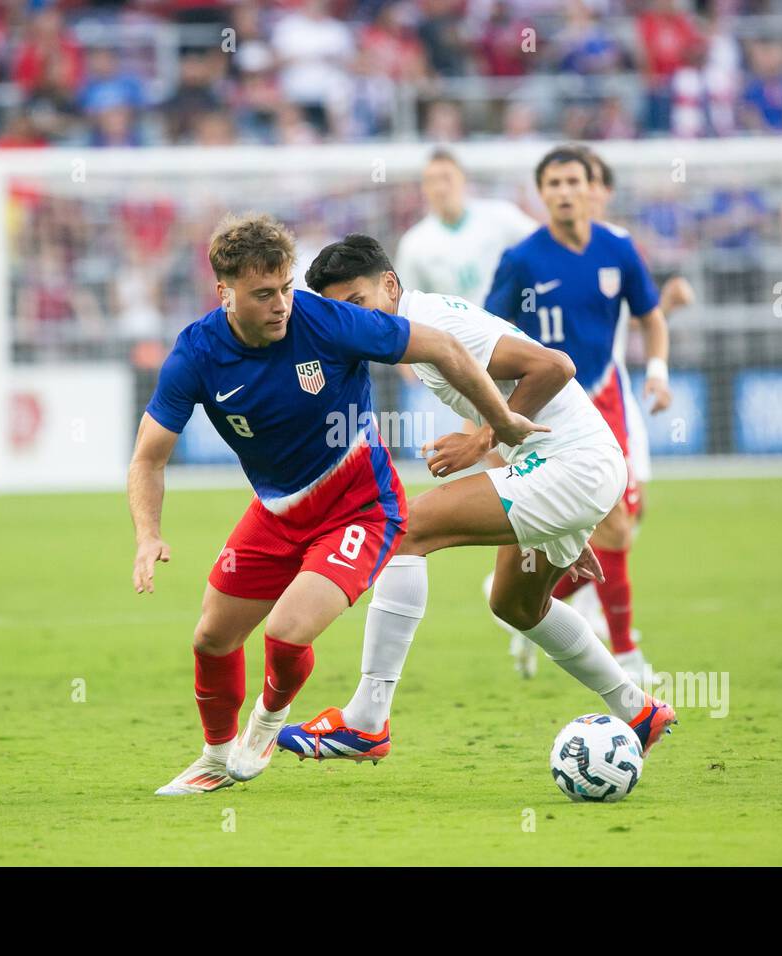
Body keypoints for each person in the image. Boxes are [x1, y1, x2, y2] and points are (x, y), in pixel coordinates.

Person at [127, 213, 547, 795]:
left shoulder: (326, 320)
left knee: (286, 631)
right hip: (276, 513)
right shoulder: (196, 354)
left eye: (285, 288)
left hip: (361, 508)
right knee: (211, 639)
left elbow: (446, 349)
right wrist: (148, 535)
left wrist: (497, 422)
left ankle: (268, 724)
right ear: (224, 292)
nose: (281, 305)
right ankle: (215, 758)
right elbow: (148, 457)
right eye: (263, 294)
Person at [276, 234, 677, 766]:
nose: (353, 321)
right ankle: (637, 709)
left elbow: (555, 366)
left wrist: (484, 438)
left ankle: (367, 720)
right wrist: (556, 519)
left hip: (572, 464)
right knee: (515, 604)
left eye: (358, 304)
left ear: (390, 285)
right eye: (338, 313)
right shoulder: (413, 334)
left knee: (404, 528)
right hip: (568, 470)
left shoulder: (440, 322)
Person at [484, 145, 672, 686]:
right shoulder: (522, 260)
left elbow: (651, 317)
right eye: (554, 184)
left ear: (592, 188)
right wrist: (495, 417)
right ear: (541, 194)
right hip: (544, 414)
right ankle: (629, 655)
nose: (565, 192)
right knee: (608, 527)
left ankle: (521, 609)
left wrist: (657, 369)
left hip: (609, 404)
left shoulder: (617, 248)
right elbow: (487, 339)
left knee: (617, 527)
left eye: (574, 182)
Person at [394, 149, 538, 308]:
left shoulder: (502, 216)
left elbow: (545, 243)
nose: (440, 188)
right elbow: (407, 306)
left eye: (446, 178)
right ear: (424, 188)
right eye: (431, 181)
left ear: (463, 179)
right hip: (451, 331)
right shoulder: (413, 243)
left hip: (508, 325)